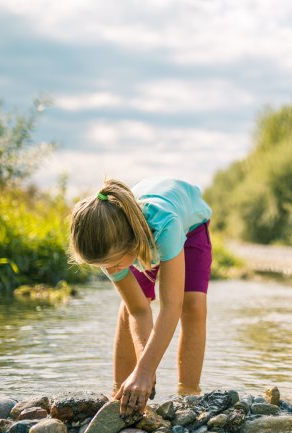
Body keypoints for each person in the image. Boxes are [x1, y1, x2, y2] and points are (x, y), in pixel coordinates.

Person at [68, 177, 212, 418]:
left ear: (131, 243)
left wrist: (145, 369)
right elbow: (138, 310)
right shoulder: (110, 249)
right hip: (137, 233)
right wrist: (145, 367)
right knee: (129, 306)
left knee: (193, 305)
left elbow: (171, 307)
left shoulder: (166, 225)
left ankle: (188, 393)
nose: (112, 270)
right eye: (104, 267)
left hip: (190, 226)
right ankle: (120, 391)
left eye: (114, 264)